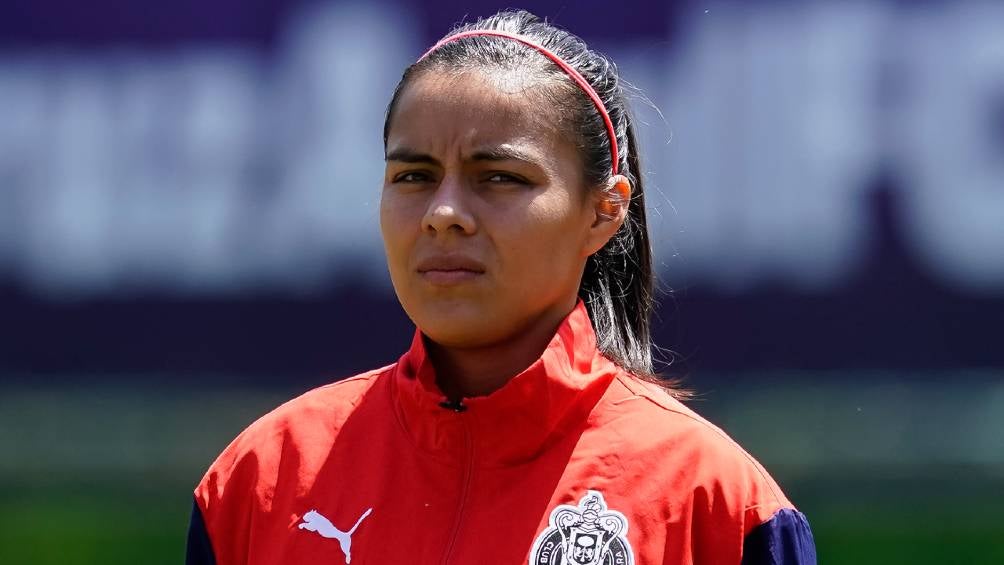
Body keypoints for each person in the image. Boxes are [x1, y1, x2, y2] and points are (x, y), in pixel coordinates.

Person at [186, 9, 816, 565]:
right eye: (413, 176)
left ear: (604, 211)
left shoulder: (716, 503)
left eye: (500, 177)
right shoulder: (261, 480)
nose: (443, 213)